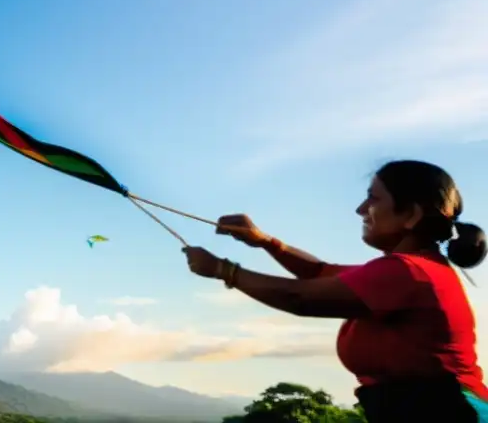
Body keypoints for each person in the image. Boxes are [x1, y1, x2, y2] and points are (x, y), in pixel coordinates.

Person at [183, 159, 488, 422]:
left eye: (373, 199)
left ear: (411, 215)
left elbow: (299, 297)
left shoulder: (409, 272)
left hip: (449, 413)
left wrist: (224, 270)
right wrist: (265, 241)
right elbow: (317, 272)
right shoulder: (411, 269)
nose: (361, 209)